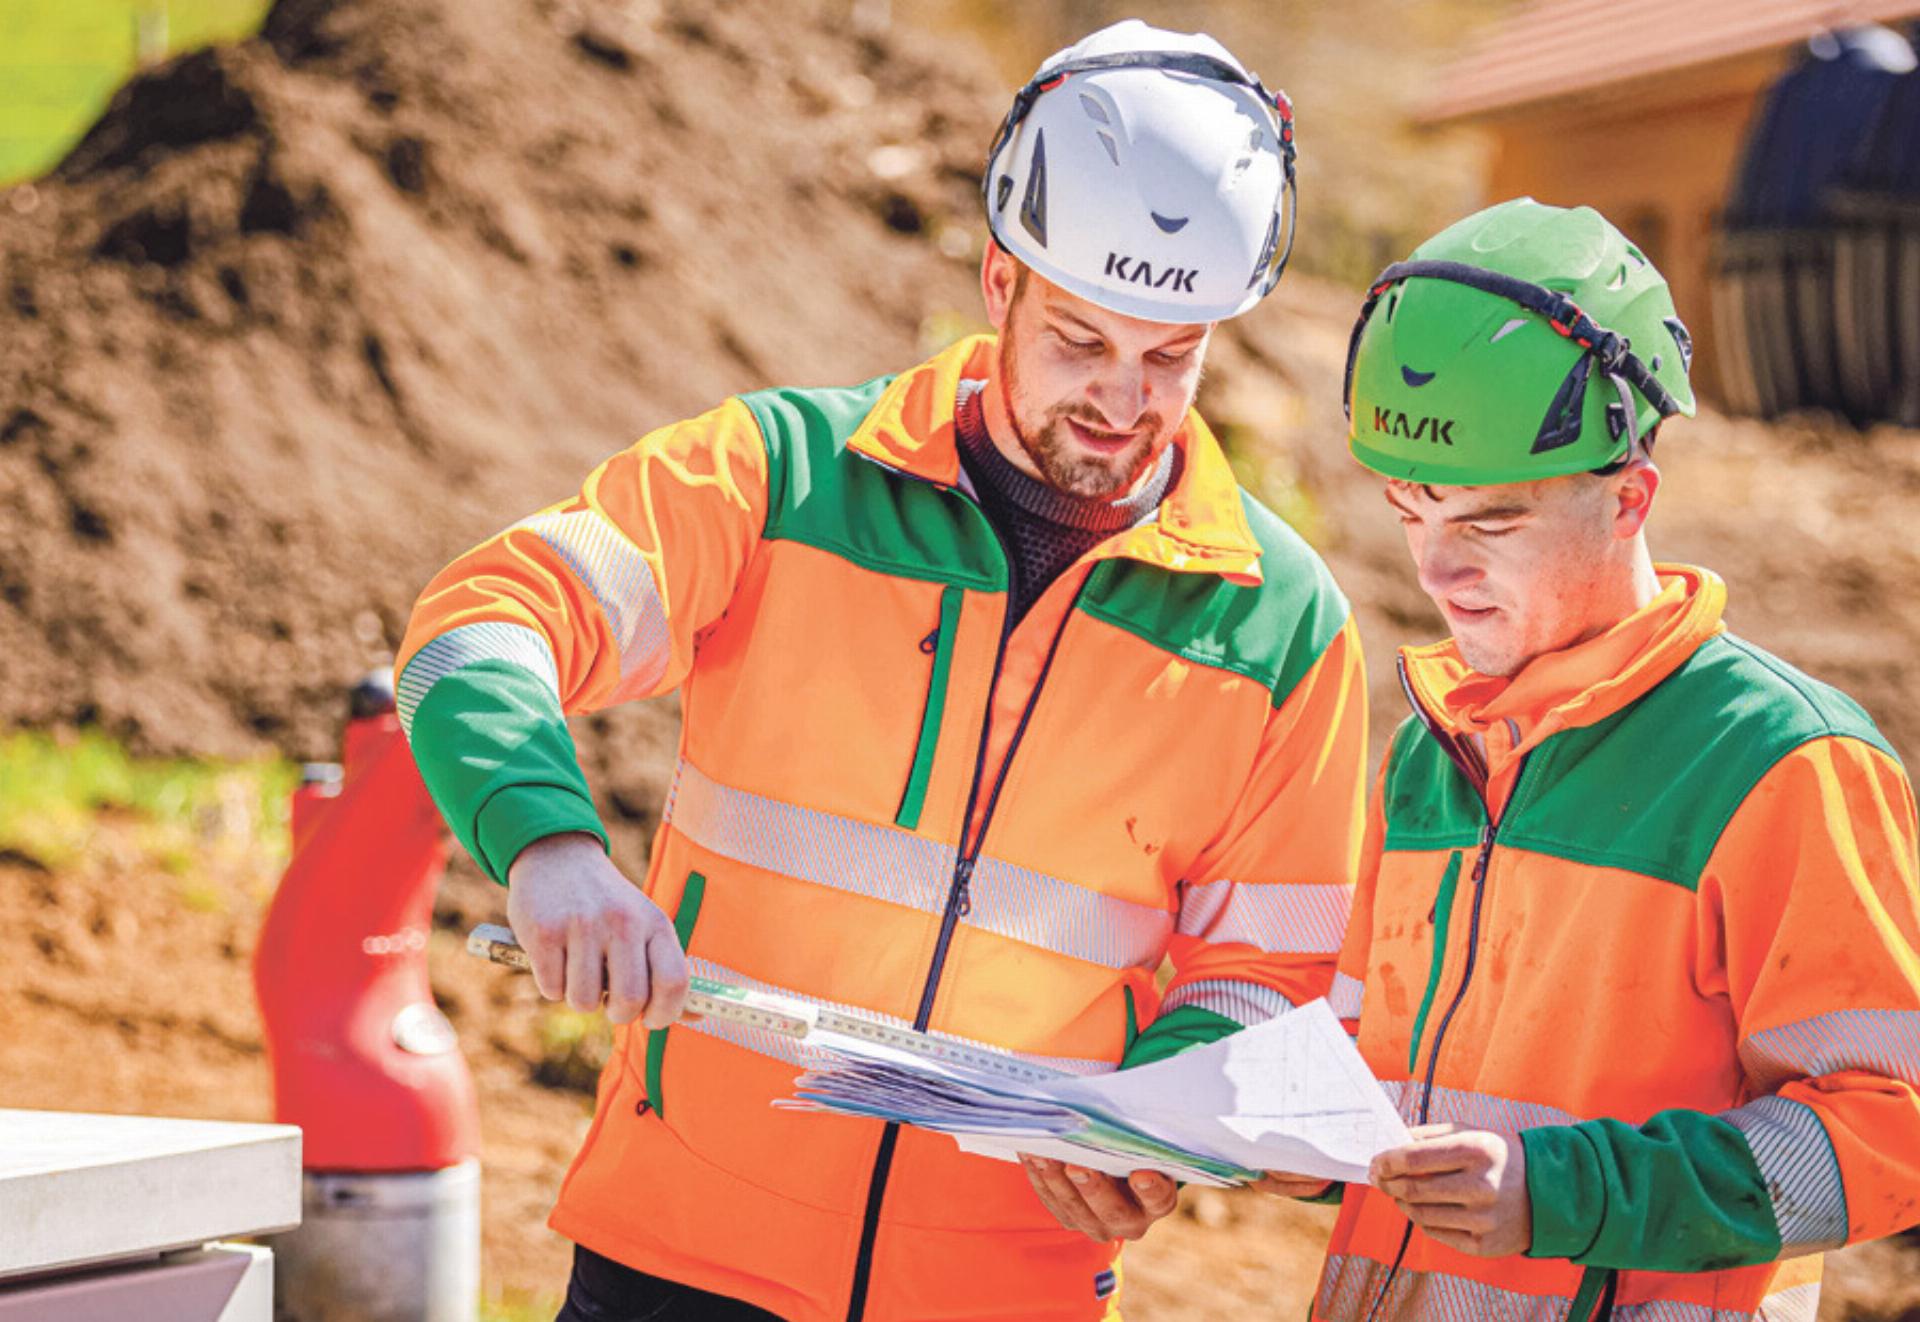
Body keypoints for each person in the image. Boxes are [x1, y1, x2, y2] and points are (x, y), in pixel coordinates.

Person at [396, 21, 1370, 1322]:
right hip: (675, 1257)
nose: (1121, 402)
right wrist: (548, 847)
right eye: (1081, 339)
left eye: (1170, 358)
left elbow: (1273, 968)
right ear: (997, 282)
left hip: (1000, 1289)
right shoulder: (777, 476)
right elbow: (482, 621)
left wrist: (1160, 1123)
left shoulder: (1280, 626)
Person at [1259, 197, 1920, 1320]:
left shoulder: (1781, 762)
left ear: (1629, 498)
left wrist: (1566, 1191)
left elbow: (1888, 1121)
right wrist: (1281, 1134)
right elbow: (1376, 1074)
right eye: (1415, 511)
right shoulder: (1437, 748)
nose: (1437, 567)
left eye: (1492, 522)